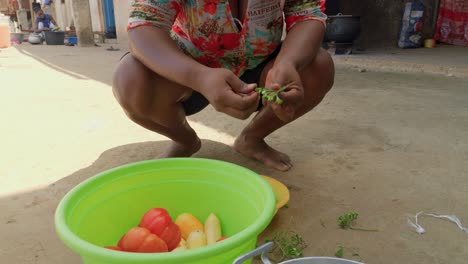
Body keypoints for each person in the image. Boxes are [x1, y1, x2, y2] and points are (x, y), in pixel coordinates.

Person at [112, 0, 335, 171]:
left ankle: (252, 138)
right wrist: (199, 76)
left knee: (319, 67)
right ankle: (185, 141)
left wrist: (288, 62)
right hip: (188, 68)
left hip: (262, 64)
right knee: (130, 79)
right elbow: (144, 23)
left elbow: (307, 14)